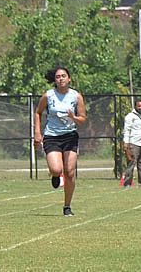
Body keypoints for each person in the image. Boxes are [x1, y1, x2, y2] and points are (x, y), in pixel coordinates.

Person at [33, 67, 87, 216]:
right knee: (57, 169)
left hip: (70, 136)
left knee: (69, 172)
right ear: (55, 80)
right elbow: (38, 112)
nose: (61, 79)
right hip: (52, 136)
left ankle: (67, 206)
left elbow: (82, 118)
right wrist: (37, 133)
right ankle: (55, 175)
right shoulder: (49, 96)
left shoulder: (76, 96)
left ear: (69, 79)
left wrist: (74, 117)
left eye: (64, 76)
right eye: (58, 77)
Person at [122, 99, 141, 188]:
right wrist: (126, 143)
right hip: (134, 142)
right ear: (135, 106)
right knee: (131, 163)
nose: (140, 107)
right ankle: (127, 183)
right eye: (139, 106)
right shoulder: (130, 116)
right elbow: (127, 130)